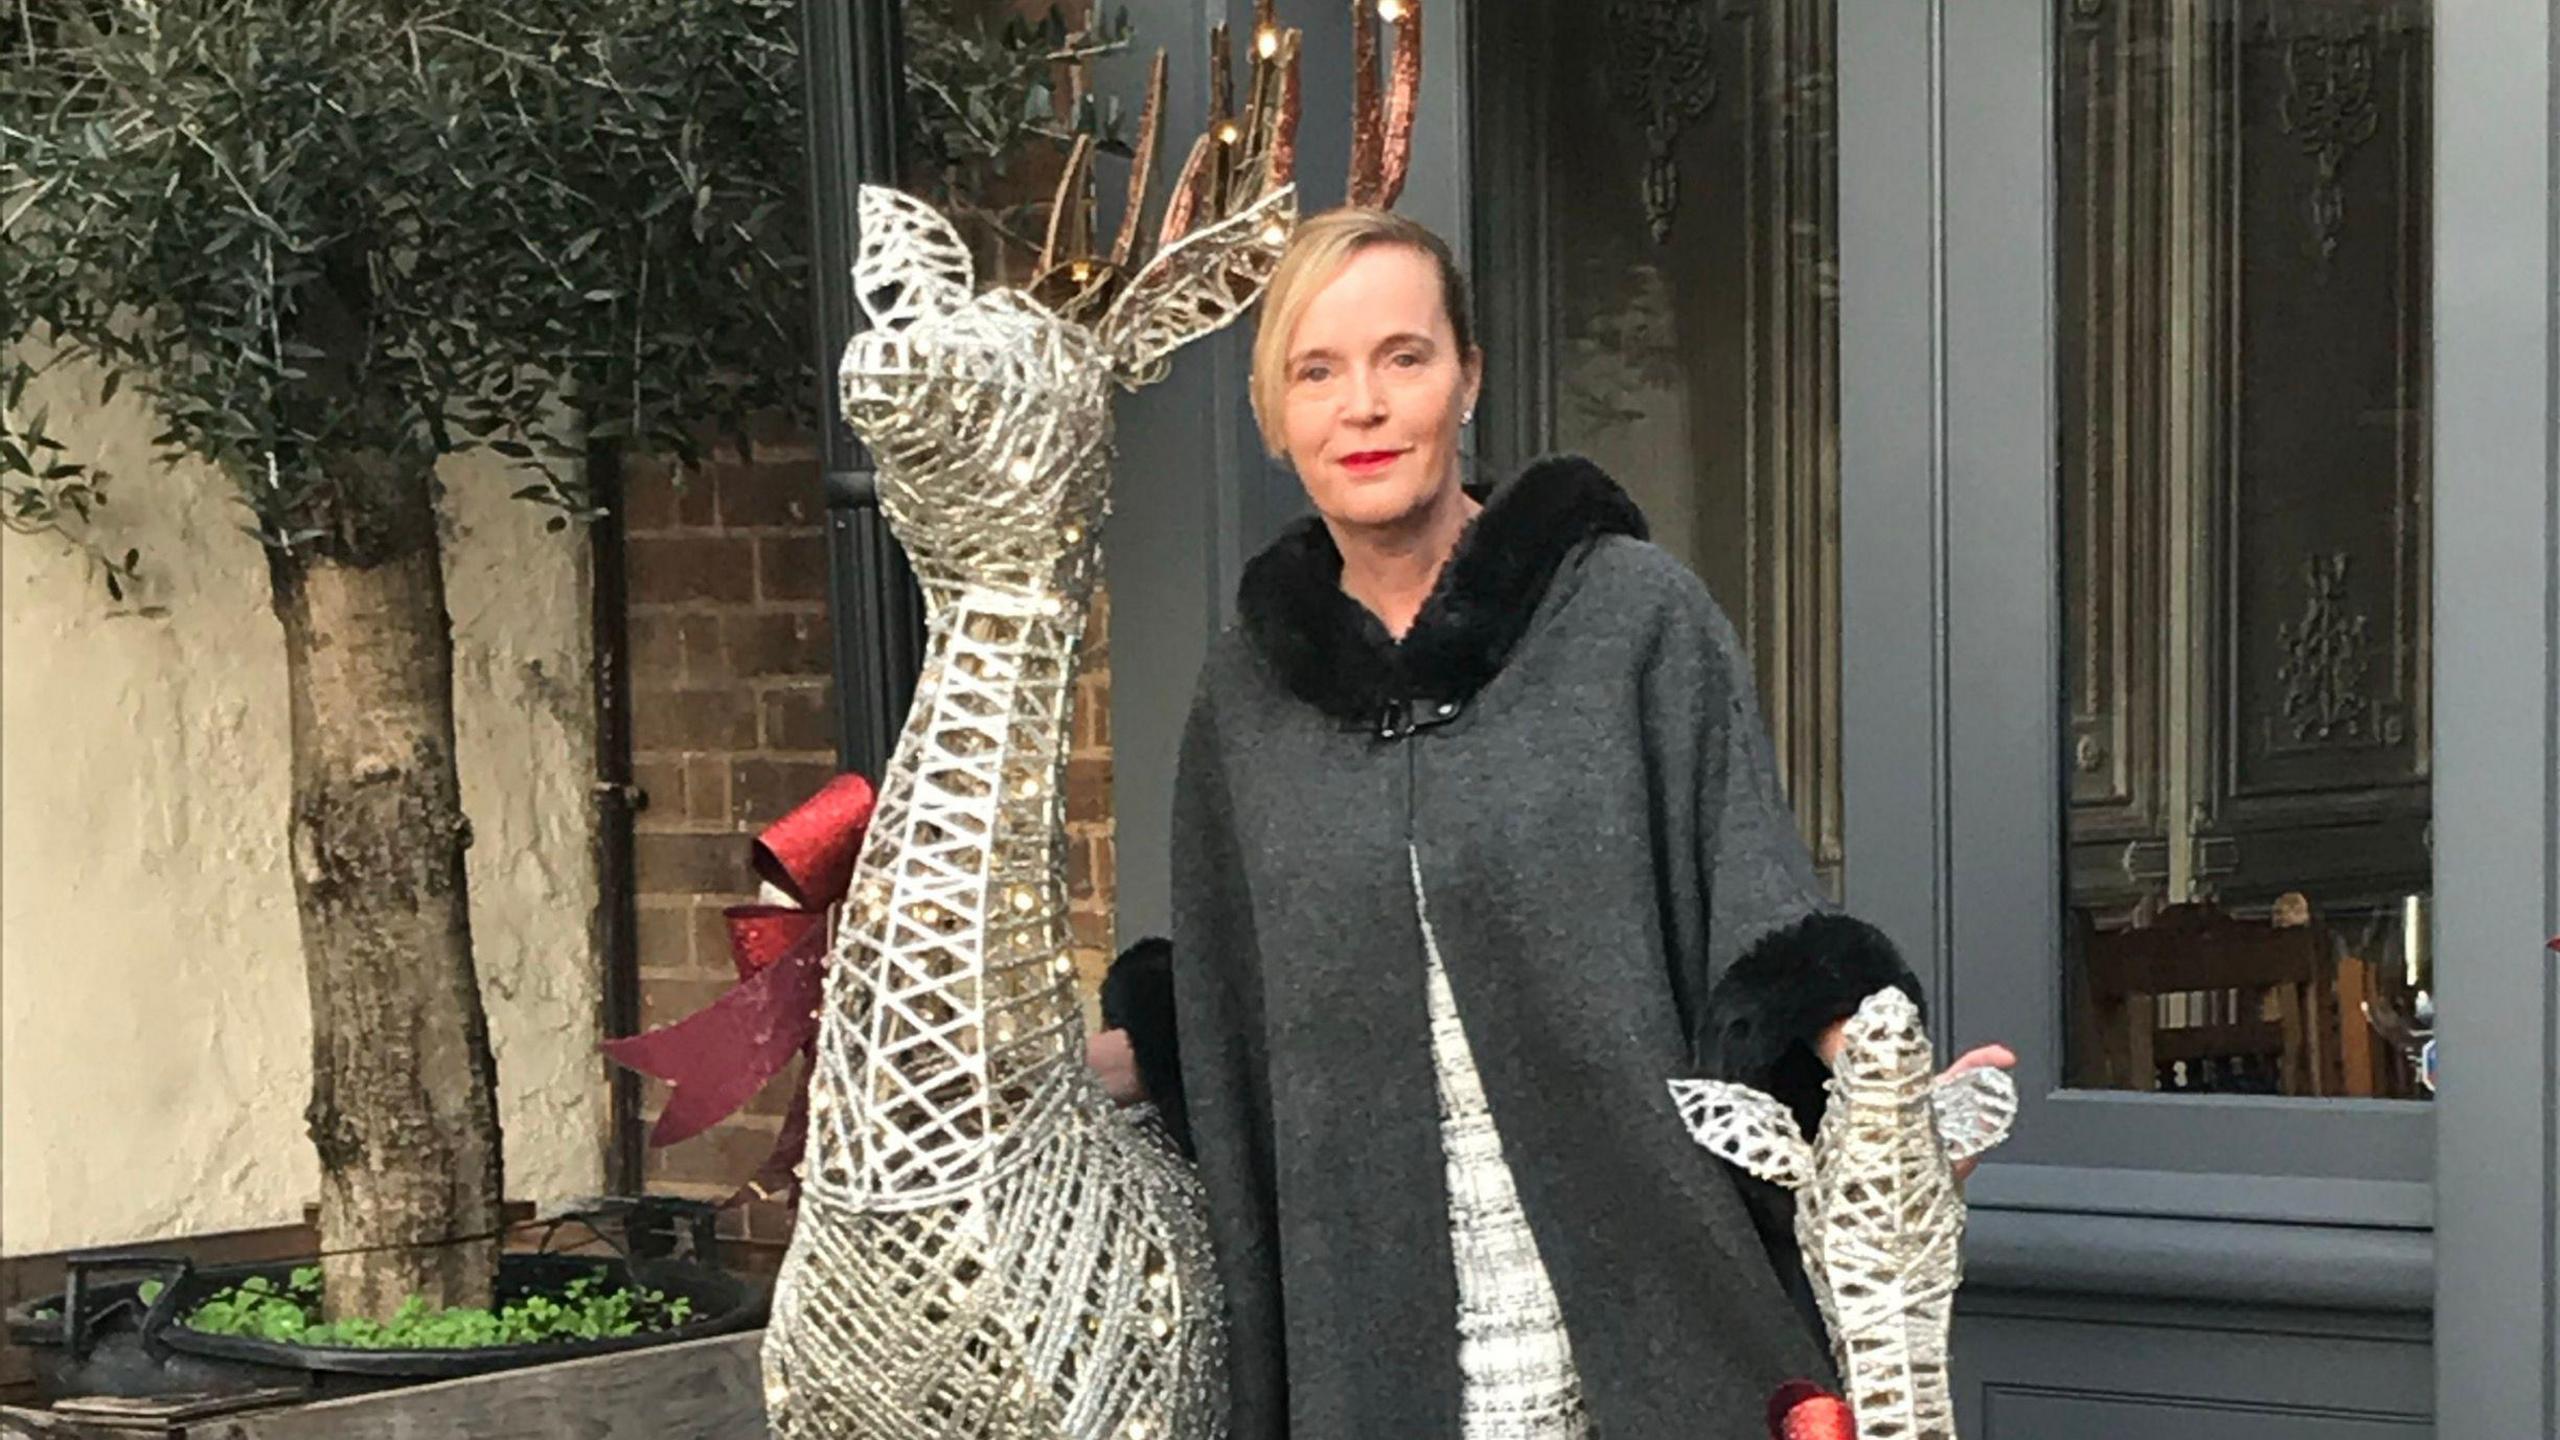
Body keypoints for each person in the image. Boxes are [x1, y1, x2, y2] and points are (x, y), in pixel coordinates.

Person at [1095, 207, 2014, 1439]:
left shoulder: (1629, 621)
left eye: (1402, 356)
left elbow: (1750, 900)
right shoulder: (1247, 701)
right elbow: (1228, 1006)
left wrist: (1879, 1101)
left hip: (1637, 1301)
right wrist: (1090, 1070)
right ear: (1276, 420)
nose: (1361, 406)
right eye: (1316, 372)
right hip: (1371, 1335)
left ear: (1467, 377)